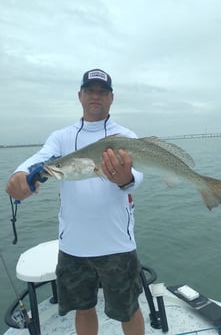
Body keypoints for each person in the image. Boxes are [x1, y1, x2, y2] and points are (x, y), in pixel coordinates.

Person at [6, 69, 145, 335]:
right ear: (79, 95)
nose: (96, 96)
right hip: (73, 246)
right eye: (90, 91)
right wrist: (19, 175)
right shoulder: (62, 137)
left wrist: (125, 177)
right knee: (83, 309)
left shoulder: (125, 136)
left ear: (111, 98)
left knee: (129, 309)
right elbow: (43, 157)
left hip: (117, 243)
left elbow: (137, 177)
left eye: (102, 92)